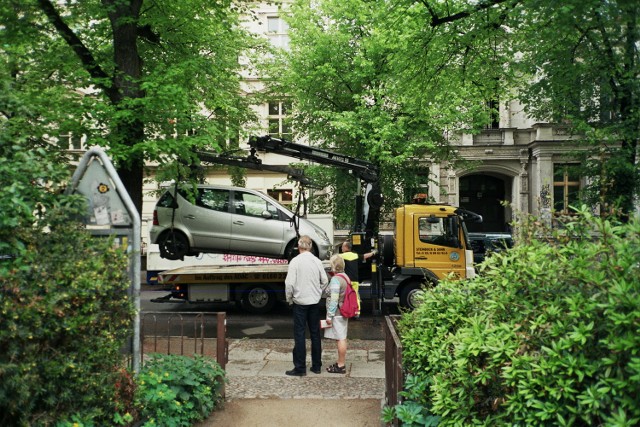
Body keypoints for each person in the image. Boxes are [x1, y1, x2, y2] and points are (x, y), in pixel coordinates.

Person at [284, 235, 328, 376]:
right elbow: (325, 280)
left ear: (299, 246)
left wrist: (290, 298)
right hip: (314, 302)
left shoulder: (295, 262)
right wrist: (318, 292)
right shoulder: (317, 261)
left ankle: (300, 368)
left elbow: (289, 283)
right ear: (310, 246)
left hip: (300, 302)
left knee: (300, 334)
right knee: (315, 334)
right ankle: (316, 366)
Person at [323, 255, 350, 374]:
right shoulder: (345, 277)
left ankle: (341, 365)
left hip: (337, 313)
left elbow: (334, 299)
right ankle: (340, 362)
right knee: (341, 337)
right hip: (343, 310)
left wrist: (329, 316)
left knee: (340, 339)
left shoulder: (336, 280)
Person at [339, 241, 376, 317]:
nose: (341, 248)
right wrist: (373, 253)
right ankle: (357, 313)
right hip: (355, 280)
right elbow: (365, 256)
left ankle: (345, 311)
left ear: (346, 247)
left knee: (344, 296)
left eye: (342, 246)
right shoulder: (355, 255)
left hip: (346, 280)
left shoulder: (341, 256)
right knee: (355, 296)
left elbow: (333, 260)